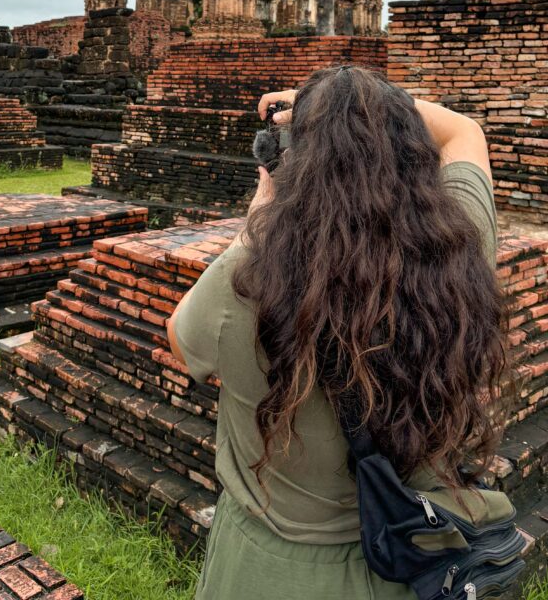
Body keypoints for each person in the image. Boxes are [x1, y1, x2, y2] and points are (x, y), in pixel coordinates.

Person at [167, 65, 509, 600]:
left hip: (265, 571)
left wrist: (257, 220)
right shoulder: (458, 256)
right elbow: (465, 132)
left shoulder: (243, 284)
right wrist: (372, 107)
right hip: (407, 559)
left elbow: (180, 340)